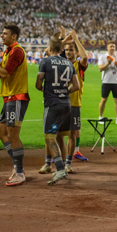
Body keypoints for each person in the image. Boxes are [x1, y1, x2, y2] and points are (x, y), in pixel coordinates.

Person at [0, 23, 30, 187]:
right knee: (1, 132)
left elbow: (5, 73)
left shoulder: (16, 51)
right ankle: (17, 165)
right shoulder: (8, 51)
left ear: (13, 36)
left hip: (17, 96)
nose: (1, 36)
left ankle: (20, 172)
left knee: (13, 135)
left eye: (4, 33)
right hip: (9, 97)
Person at [36, 37, 80, 186]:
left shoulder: (45, 62)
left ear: (49, 48)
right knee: (60, 137)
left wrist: (46, 89)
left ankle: (60, 169)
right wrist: (64, 91)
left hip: (52, 104)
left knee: (49, 138)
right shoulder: (69, 63)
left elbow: (38, 83)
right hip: (66, 104)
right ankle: (64, 166)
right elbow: (76, 85)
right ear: (62, 50)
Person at [64, 30, 89, 165]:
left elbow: (85, 57)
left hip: (74, 104)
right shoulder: (61, 63)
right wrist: (64, 41)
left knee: (72, 134)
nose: (68, 52)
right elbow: (49, 51)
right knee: (57, 134)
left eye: (71, 50)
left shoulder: (79, 65)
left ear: (76, 52)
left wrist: (76, 40)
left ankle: (68, 162)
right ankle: (58, 160)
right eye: (66, 50)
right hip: (61, 103)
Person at [98, 41, 117, 124]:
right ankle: (100, 117)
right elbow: (100, 68)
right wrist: (108, 63)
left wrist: (116, 63)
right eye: (111, 46)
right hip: (106, 81)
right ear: (107, 47)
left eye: (113, 46)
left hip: (116, 82)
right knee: (104, 99)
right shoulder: (103, 56)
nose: (112, 48)